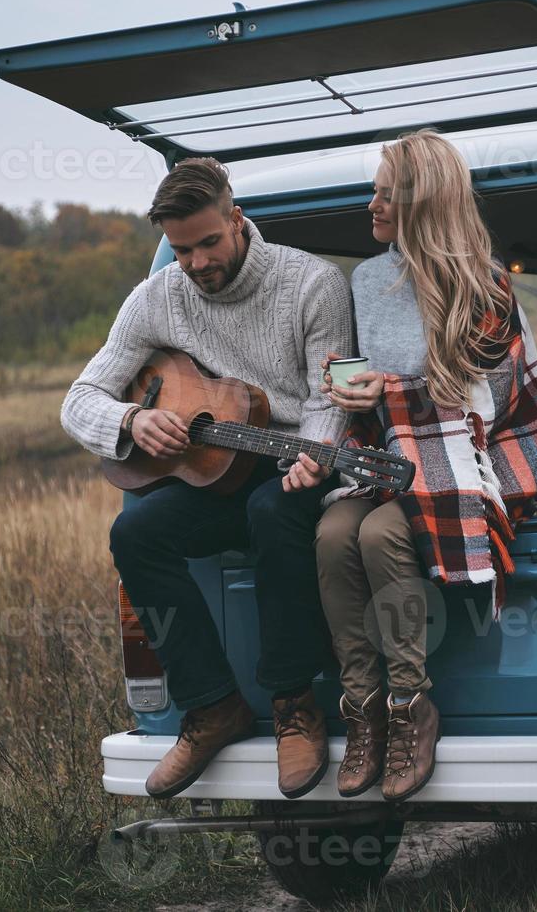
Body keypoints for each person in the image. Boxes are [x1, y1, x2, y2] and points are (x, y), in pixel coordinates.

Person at [60, 157, 353, 801]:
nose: (195, 263)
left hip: (294, 467)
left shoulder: (312, 284)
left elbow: (329, 397)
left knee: (273, 515)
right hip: (214, 479)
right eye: (181, 248)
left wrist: (318, 453)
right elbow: (79, 399)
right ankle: (212, 705)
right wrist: (132, 420)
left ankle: (292, 703)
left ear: (237, 219)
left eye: (208, 243)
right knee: (134, 534)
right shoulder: (157, 294)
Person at [299, 129, 537, 801]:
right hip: (387, 457)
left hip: (468, 458)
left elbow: (491, 408)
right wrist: (346, 386)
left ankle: (411, 707)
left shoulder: (486, 286)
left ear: (424, 203)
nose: (371, 206)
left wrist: (396, 391)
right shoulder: (367, 277)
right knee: (330, 536)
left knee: (380, 535)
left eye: (386, 194)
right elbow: (366, 387)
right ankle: (364, 710)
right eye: (374, 191)